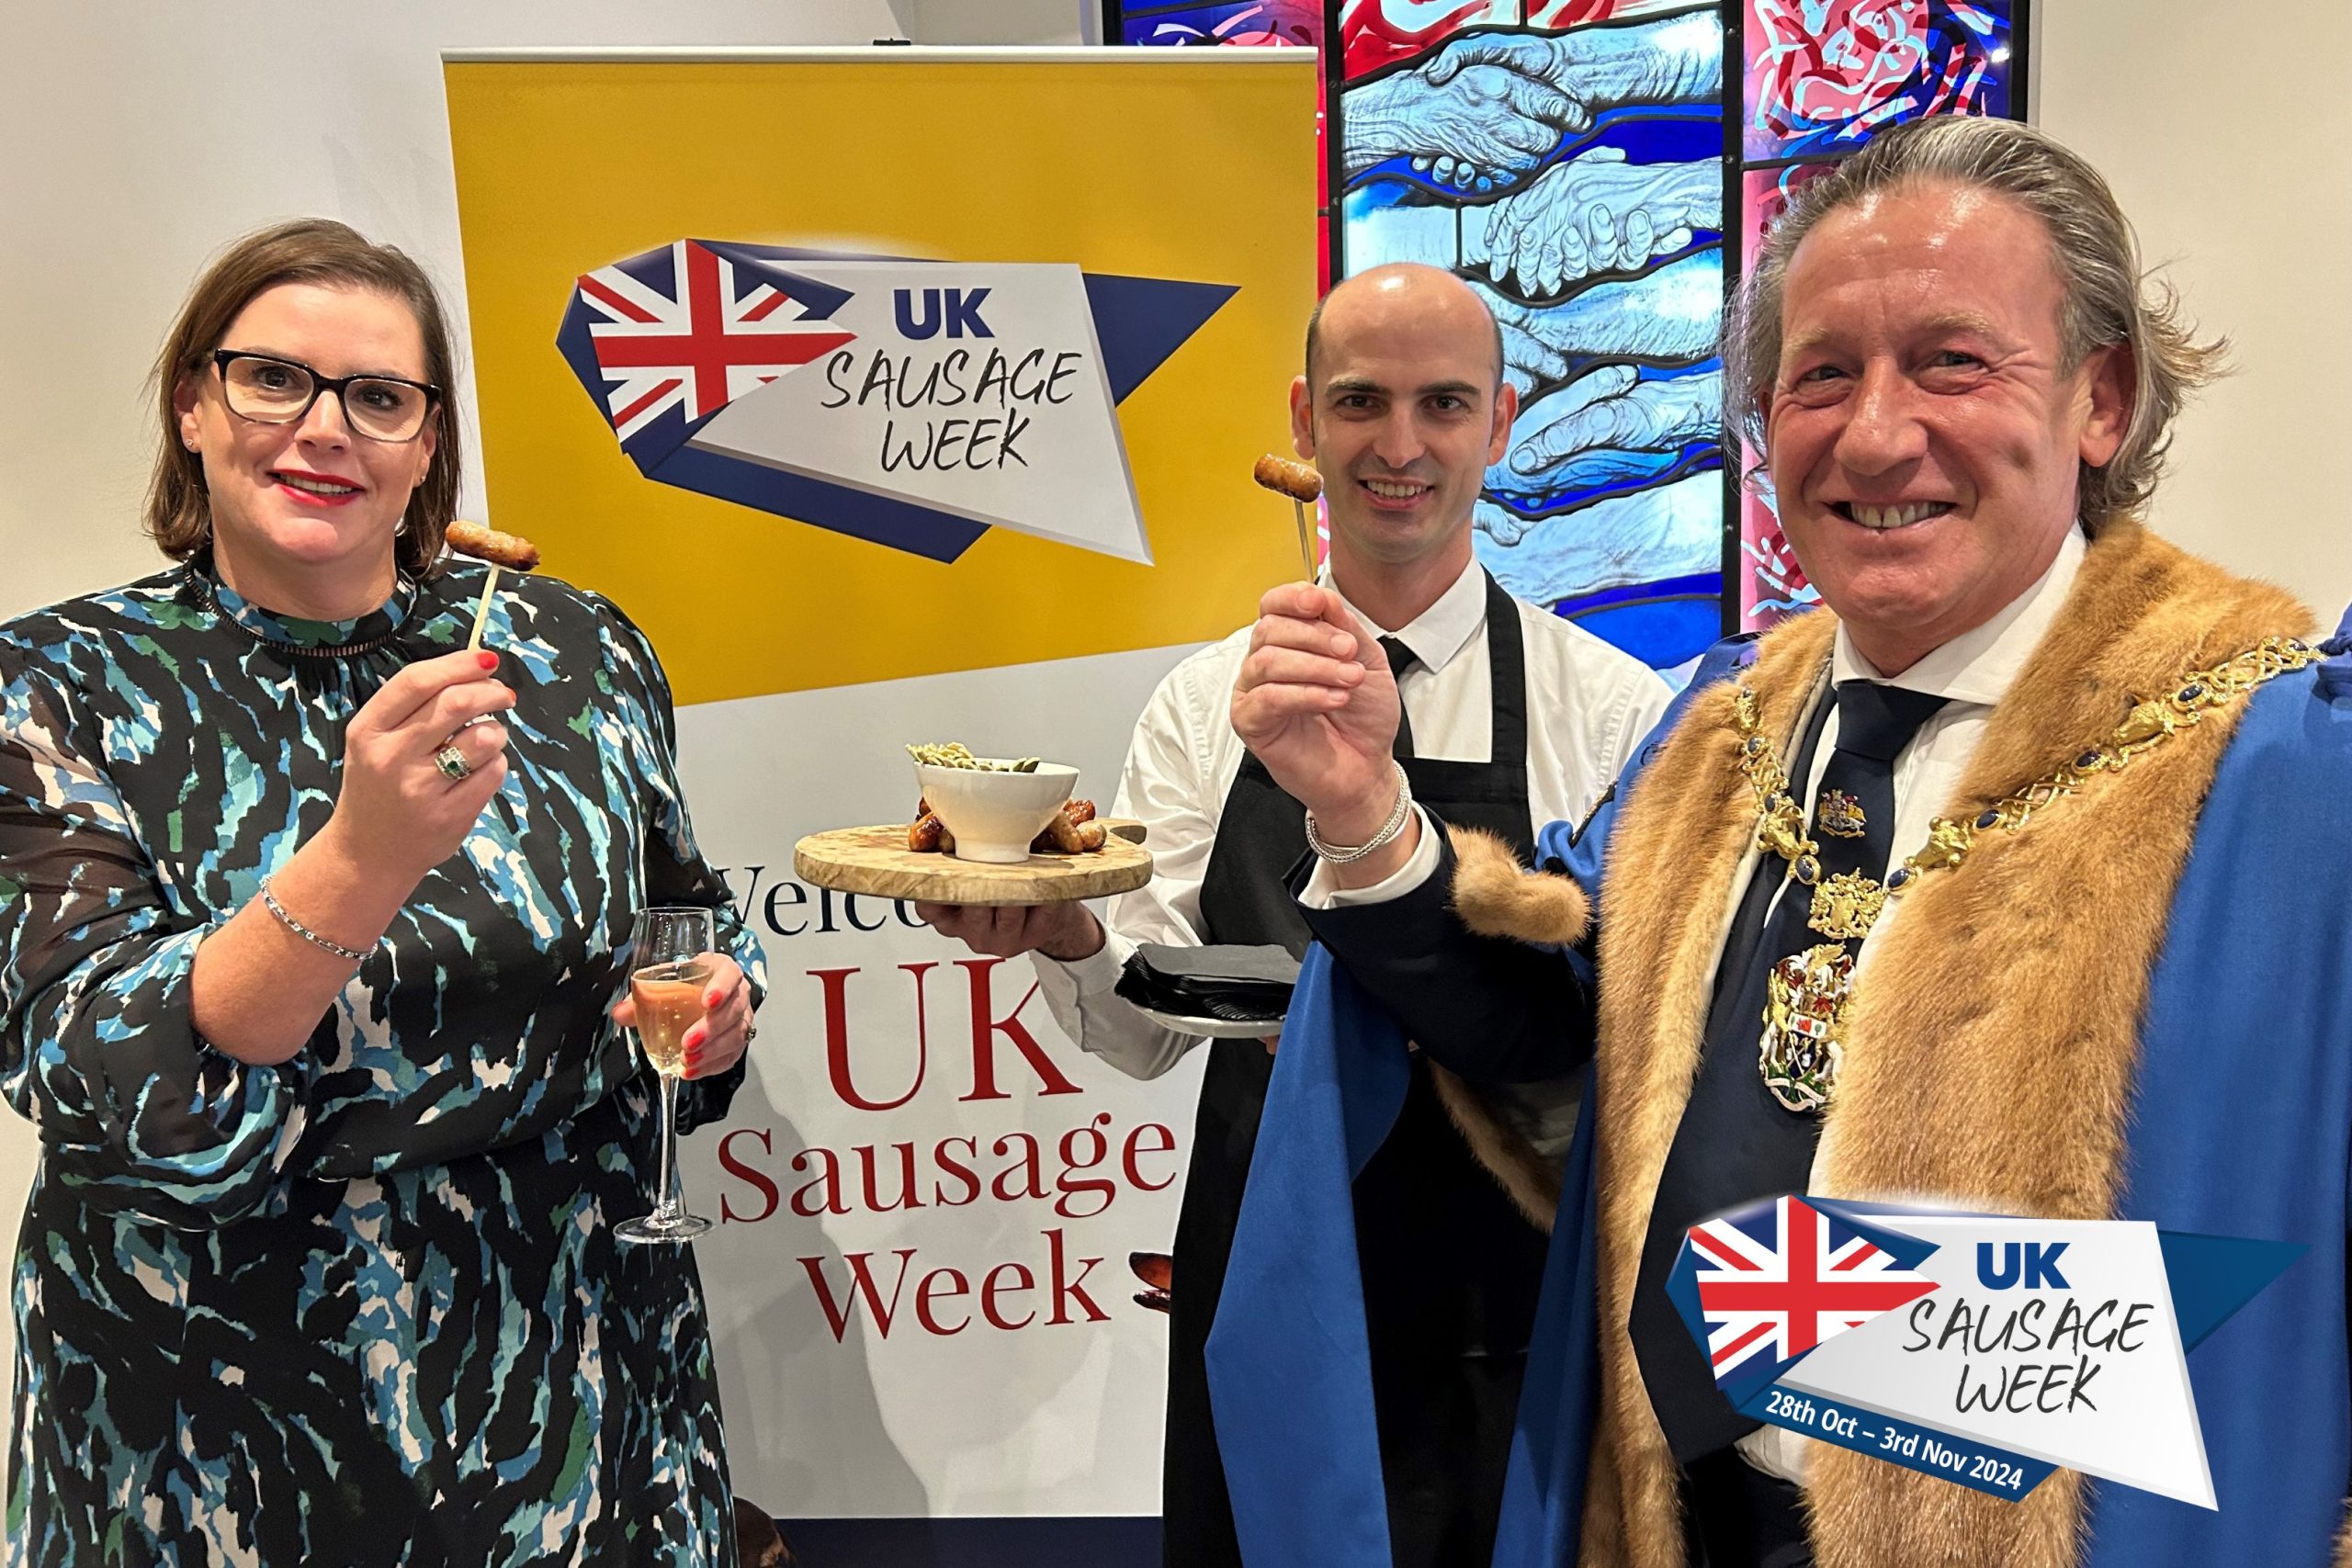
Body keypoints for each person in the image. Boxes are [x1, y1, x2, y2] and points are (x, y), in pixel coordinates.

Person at [1234, 116, 2352, 1567]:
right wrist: (1361, 809)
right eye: (1821, 375)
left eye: (1954, 361)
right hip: (1690, 1520)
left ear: (2103, 399)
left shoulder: (2279, 760)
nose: (1877, 433)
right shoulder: (1723, 728)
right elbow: (1561, 1034)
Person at [0, 220, 764, 1565]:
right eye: (271, 378)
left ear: (426, 447)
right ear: (193, 403)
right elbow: (104, 1076)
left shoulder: (570, 647)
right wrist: (361, 861)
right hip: (223, 1415)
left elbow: (679, 914)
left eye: (379, 399)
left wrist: (714, 1008)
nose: (325, 430)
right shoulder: (52, 688)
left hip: (578, 1377)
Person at [920, 263, 1670, 1565]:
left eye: (1444, 404)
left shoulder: (1605, 710)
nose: (1399, 445)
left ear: (1500, 425)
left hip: (1518, 1289)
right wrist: (1066, 934)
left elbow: (1621, 1038)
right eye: (1360, 402)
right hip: (1274, 1268)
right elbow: (1151, 1025)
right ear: (1303, 423)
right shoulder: (1204, 706)